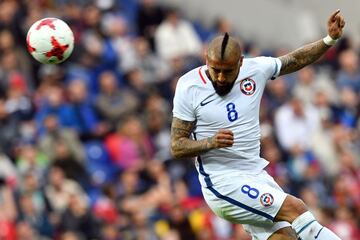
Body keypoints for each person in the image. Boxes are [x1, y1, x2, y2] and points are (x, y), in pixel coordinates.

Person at [171, 9, 345, 240]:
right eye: (216, 70)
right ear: (206, 60)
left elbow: (295, 59)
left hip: (255, 174)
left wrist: (329, 40)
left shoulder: (255, 69)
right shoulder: (189, 86)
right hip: (222, 182)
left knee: (286, 237)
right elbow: (177, 146)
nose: (221, 77)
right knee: (297, 209)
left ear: (241, 63)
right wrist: (209, 142)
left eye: (228, 71)